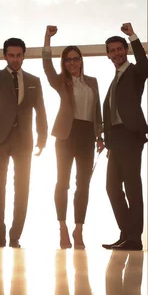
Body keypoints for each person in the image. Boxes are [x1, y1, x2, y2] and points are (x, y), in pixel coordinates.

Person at [0, 22, 48, 249]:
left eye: (18, 55)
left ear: (24, 56)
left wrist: (42, 138)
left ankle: (15, 236)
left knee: (22, 189)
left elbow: (41, 111)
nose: (15, 59)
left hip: (24, 141)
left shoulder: (34, 81)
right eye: (11, 55)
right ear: (5, 56)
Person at [42, 25, 104, 250]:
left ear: (81, 60)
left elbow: (97, 111)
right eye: (67, 60)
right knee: (63, 182)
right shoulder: (60, 81)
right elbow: (47, 68)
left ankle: (79, 229)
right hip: (66, 135)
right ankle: (62, 227)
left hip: (87, 134)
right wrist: (47, 39)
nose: (72, 63)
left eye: (75, 58)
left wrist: (100, 134)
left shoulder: (93, 82)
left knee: (83, 184)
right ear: (64, 63)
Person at [101, 23, 148, 251]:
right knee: (112, 187)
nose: (116, 53)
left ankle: (134, 238)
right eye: (112, 50)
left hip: (130, 135)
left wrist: (133, 36)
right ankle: (126, 233)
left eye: (120, 49)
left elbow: (145, 65)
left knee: (132, 187)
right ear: (108, 55)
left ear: (126, 50)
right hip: (116, 139)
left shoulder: (134, 73)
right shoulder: (114, 79)